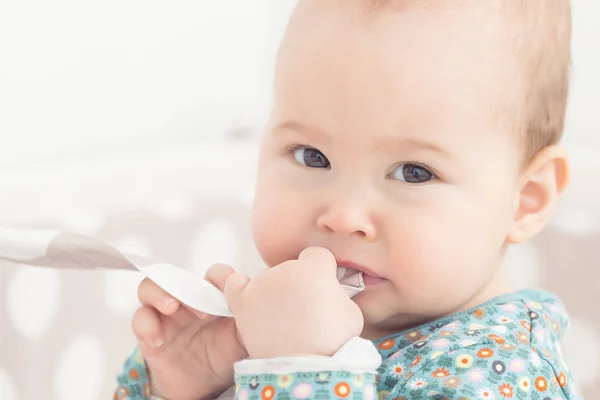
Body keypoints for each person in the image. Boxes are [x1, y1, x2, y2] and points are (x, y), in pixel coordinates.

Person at [115, 0, 580, 398]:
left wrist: (302, 368)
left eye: (413, 173)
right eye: (312, 156)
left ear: (525, 200)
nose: (342, 217)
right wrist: (181, 384)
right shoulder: (270, 318)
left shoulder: (500, 376)